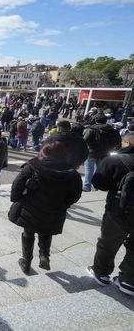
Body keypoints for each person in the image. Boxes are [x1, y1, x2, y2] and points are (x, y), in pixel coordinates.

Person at [9, 141, 82, 274]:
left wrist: (16, 199)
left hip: (31, 207)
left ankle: (26, 261)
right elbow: (76, 194)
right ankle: (44, 256)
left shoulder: (33, 165)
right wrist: (65, 204)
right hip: (55, 209)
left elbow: (17, 185)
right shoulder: (72, 172)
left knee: (28, 233)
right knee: (46, 232)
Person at [88, 133, 134, 295]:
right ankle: (129, 279)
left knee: (108, 242)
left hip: (120, 210)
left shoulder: (115, 160)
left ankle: (100, 272)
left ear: (127, 143)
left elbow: (99, 182)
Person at [82, 116, 122, 191]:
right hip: (105, 152)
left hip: (92, 151)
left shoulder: (91, 129)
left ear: (96, 121)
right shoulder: (112, 130)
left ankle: (87, 186)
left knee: (89, 169)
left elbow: (85, 140)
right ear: (105, 121)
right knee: (99, 169)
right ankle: (97, 186)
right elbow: (118, 141)